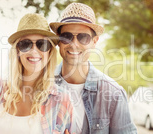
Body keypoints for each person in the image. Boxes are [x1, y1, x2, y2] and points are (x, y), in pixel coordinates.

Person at [0, 13, 73, 134]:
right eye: (26, 44)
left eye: (42, 44)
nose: (34, 51)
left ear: (50, 52)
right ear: (18, 51)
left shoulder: (61, 99)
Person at [50, 3, 137, 134]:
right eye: (66, 37)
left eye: (83, 37)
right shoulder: (41, 85)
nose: (74, 44)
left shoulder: (114, 94)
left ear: (94, 42)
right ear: (58, 41)